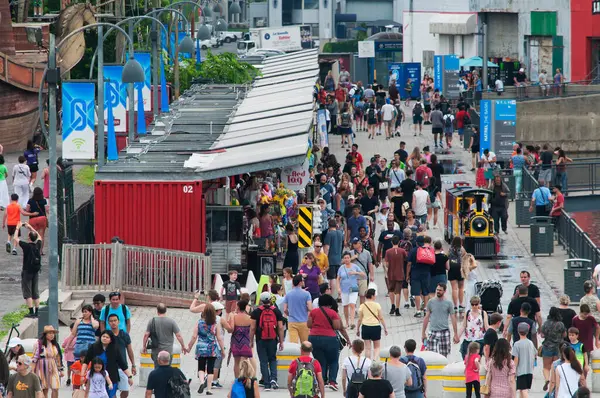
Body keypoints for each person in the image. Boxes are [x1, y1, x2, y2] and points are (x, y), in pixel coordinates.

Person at [308, 294, 347, 390]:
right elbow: (337, 327)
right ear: (330, 304)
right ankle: (332, 381)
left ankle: (322, 381)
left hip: (314, 338)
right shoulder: (333, 313)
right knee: (333, 360)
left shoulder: (313, 312)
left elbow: (309, 325)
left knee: (321, 360)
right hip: (330, 339)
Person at [187, 303, 225, 395]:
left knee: (201, 367)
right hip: (211, 347)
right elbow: (219, 338)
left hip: (201, 347)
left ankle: (201, 382)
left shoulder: (199, 323)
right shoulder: (215, 324)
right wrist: (222, 350)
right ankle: (208, 389)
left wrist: (189, 347)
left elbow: (194, 336)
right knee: (210, 369)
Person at [250, 292, 285, 391]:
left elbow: (252, 328)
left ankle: (266, 383)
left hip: (260, 339)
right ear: (270, 300)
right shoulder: (276, 311)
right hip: (273, 339)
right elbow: (281, 327)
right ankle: (274, 379)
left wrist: (251, 341)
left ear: (261, 300)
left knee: (263, 361)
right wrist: (281, 341)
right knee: (273, 359)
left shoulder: (256, 312)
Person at [83, 331, 133, 398]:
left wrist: (129, 376)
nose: (105, 338)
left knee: (111, 395)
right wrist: (82, 375)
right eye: (103, 336)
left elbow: (122, 364)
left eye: (107, 337)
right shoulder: (93, 347)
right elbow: (86, 362)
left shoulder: (115, 349)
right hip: (96, 378)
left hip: (111, 376)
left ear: (110, 340)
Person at [142, 303, 186, 368]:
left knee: (157, 370)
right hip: (168, 351)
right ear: (166, 310)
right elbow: (178, 335)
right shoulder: (171, 322)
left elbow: (146, 335)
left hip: (156, 351)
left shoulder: (152, 321)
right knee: (167, 369)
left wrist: (144, 346)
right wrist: (183, 346)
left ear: (157, 311)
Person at [421, 283, 459, 358]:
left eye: (440, 290)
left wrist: (455, 333)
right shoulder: (431, 302)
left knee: (444, 356)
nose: (438, 291)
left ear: (444, 291)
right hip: (433, 331)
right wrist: (423, 333)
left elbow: (453, 318)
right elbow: (426, 318)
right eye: (437, 290)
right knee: (431, 355)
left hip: (444, 331)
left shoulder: (449, 303)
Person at [15, 222, 42, 318]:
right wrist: (31, 227)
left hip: (27, 271)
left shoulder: (26, 246)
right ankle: (37, 311)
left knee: (27, 291)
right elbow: (39, 237)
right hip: (35, 271)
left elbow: (16, 239)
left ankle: (31, 312)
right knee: (35, 291)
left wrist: (17, 228)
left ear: (29, 238)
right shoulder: (38, 245)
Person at [407, 236, 435, 317]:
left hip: (415, 274)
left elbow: (409, 264)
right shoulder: (428, 250)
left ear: (416, 243)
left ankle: (418, 311)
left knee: (417, 293)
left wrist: (407, 275)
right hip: (426, 273)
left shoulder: (413, 251)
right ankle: (426, 309)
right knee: (425, 292)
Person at [32, 325, 63, 398]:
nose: (52, 335)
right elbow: (34, 359)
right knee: (44, 389)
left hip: (53, 367)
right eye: (49, 333)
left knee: (56, 387)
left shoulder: (55, 344)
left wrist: (61, 369)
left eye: (53, 333)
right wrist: (32, 372)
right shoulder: (39, 344)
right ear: (45, 334)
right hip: (42, 367)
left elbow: (58, 357)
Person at [357, 289, 388, 360]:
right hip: (375, 327)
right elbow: (381, 318)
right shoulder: (377, 305)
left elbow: (360, 319)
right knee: (377, 347)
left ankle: (367, 362)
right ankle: (374, 359)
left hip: (365, 327)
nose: (375, 296)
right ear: (372, 296)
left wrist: (357, 329)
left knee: (367, 348)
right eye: (375, 295)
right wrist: (385, 328)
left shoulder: (362, 306)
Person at [337, 251, 366, 329]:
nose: (346, 259)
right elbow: (338, 278)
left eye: (348, 258)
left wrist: (355, 273)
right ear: (343, 259)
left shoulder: (355, 266)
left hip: (353, 287)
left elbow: (363, 274)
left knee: (352, 304)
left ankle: (352, 322)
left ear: (350, 258)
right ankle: (347, 322)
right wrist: (338, 288)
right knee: (345, 306)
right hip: (344, 289)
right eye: (345, 258)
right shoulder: (341, 268)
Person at [540, 307, 566, 390]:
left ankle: (547, 379)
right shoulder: (560, 324)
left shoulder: (546, 323)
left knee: (546, 367)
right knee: (556, 367)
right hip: (558, 347)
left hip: (547, 347)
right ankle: (554, 382)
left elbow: (542, 335)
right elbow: (564, 335)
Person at [282, 274, 312, 344]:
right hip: (304, 321)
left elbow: (285, 309)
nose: (304, 282)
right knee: (305, 343)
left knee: (293, 344)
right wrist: (305, 309)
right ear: (300, 282)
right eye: (303, 280)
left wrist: (289, 314)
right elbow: (310, 308)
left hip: (292, 321)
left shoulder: (288, 294)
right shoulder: (307, 294)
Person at [571, 304, 600, 368]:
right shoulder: (575, 320)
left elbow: (598, 327)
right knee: (578, 363)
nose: (586, 316)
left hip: (588, 344)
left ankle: (584, 377)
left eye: (587, 314)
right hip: (578, 344)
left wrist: (597, 339)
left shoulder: (591, 318)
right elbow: (573, 331)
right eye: (584, 314)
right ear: (580, 312)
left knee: (586, 364)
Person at [385, 236, 408, 316]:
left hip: (391, 273)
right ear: (399, 242)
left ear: (391, 242)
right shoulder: (402, 251)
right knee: (398, 292)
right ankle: (397, 309)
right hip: (400, 273)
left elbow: (387, 264)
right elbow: (406, 259)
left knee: (391, 290)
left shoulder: (388, 252)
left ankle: (392, 306)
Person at [512, 323, 537, 398]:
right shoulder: (530, 343)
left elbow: (516, 359)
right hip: (529, 370)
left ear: (518, 331)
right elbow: (534, 354)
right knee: (522, 390)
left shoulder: (517, 344)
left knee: (523, 390)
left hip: (520, 371)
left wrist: (513, 370)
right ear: (527, 331)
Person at [349, 239, 375, 305]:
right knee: (353, 295)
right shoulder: (350, 253)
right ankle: (354, 310)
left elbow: (370, 264)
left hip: (363, 277)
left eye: (355, 243)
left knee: (362, 295)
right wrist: (352, 258)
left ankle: (361, 309)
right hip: (353, 278)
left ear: (360, 244)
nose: (354, 245)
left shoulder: (367, 253)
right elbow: (343, 262)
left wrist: (372, 275)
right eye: (353, 243)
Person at [324, 219, 344, 298]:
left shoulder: (329, 234)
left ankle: (333, 295)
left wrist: (325, 259)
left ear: (328, 225)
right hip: (338, 259)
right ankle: (339, 295)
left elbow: (327, 248)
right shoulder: (340, 233)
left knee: (332, 278)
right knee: (338, 277)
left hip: (330, 260)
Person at [25, 188, 48, 255]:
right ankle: (40, 251)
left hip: (33, 219)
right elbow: (47, 209)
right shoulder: (44, 201)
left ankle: (31, 250)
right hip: (42, 218)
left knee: (31, 235)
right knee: (41, 236)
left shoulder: (30, 201)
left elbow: (27, 210)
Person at [447, 237, 466, 313]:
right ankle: (461, 305)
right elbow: (465, 256)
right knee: (461, 288)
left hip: (452, 269)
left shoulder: (450, 249)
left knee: (454, 289)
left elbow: (447, 257)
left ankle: (455, 306)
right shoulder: (462, 249)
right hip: (460, 269)